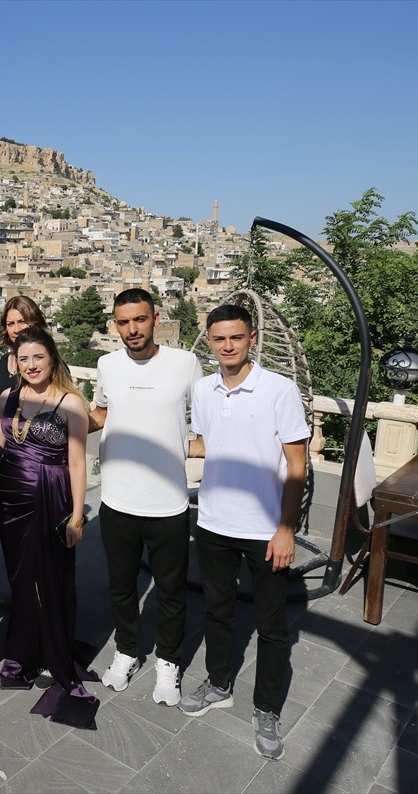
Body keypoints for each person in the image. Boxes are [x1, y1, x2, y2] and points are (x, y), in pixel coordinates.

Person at [178, 304, 309, 762]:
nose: (227, 346)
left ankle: (267, 708)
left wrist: (286, 528)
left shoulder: (279, 389)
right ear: (209, 342)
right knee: (217, 611)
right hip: (213, 522)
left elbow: (297, 465)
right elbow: (209, 444)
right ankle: (218, 683)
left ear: (251, 338)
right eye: (219, 339)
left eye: (235, 337)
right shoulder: (204, 390)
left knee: (273, 627)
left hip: (264, 529)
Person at [89, 288, 203, 706]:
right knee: (121, 586)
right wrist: (57, 423)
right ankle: (126, 651)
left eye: (139, 319)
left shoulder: (185, 363)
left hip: (168, 501)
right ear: (114, 325)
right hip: (117, 499)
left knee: (170, 590)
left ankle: (169, 663)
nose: (131, 329)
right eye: (123, 322)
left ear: (156, 319)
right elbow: (101, 413)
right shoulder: (106, 364)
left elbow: (204, 421)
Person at [0, 325, 100, 727]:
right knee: (20, 578)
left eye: (38, 357)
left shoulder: (71, 401)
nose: (31, 365)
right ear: (14, 362)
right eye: (23, 358)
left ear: (52, 358)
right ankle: (23, 655)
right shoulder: (7, 396)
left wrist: (78, 515)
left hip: (52, 497)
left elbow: (78, 461)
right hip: (11, 497)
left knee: (50, 577)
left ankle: (55, 654)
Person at [0, 295, 47, 400]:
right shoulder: (4, 361)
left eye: (22, 322)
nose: (16, 329)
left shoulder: (47, 362)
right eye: (10, 324)